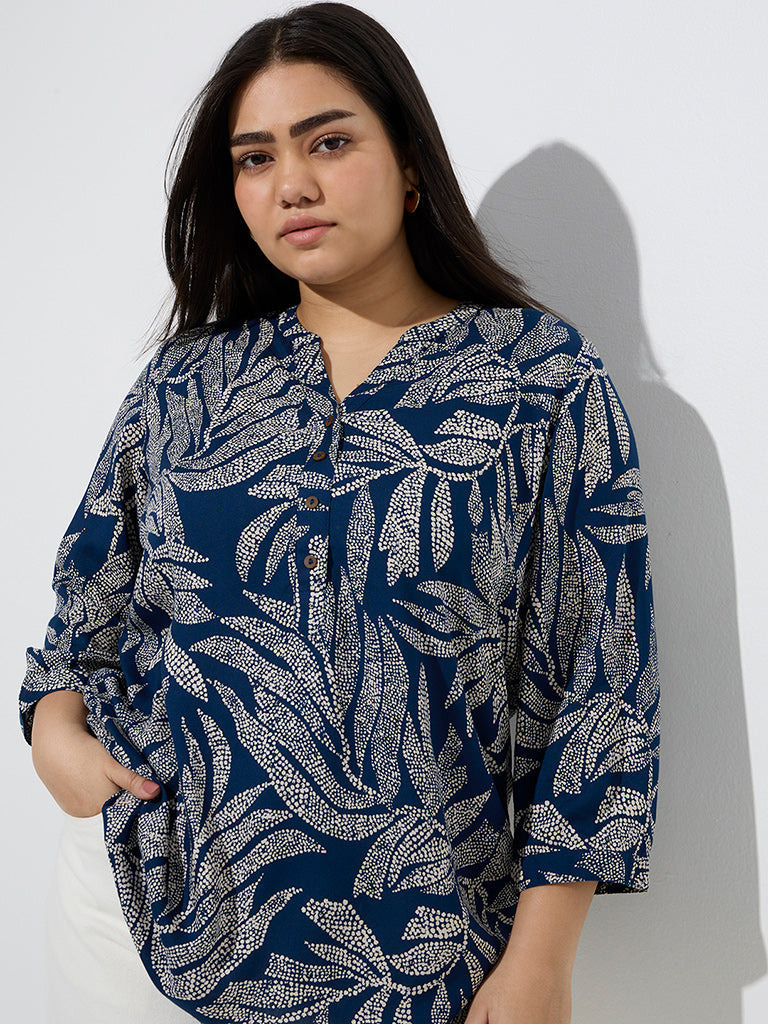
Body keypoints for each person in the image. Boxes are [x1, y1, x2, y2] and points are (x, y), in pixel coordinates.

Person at [20, 3, 660, 1023]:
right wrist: (57, 737)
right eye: (256, 157)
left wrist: (543, 959)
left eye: (328, 142)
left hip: (416, 956)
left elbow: (602, 686)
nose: (292, 184)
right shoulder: (187, 384)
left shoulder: (540, 380)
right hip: (140, 919)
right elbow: (85, 607)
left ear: (409, 165)